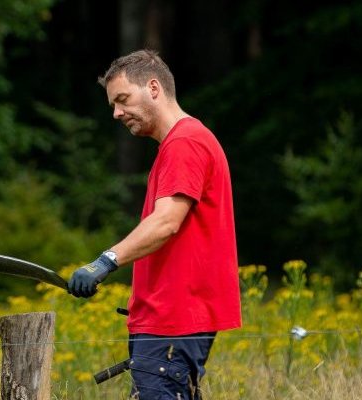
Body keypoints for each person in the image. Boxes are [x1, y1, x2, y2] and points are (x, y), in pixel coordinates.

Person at [66, 49, 241, 399]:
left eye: (123, 99)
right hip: (167, 320)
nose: (117, 113)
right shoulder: (178, 144)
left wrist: (105, 262)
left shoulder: (185, 142)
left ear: (154, 87)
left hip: (174, 319)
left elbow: (166, 222)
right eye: (113, 104)